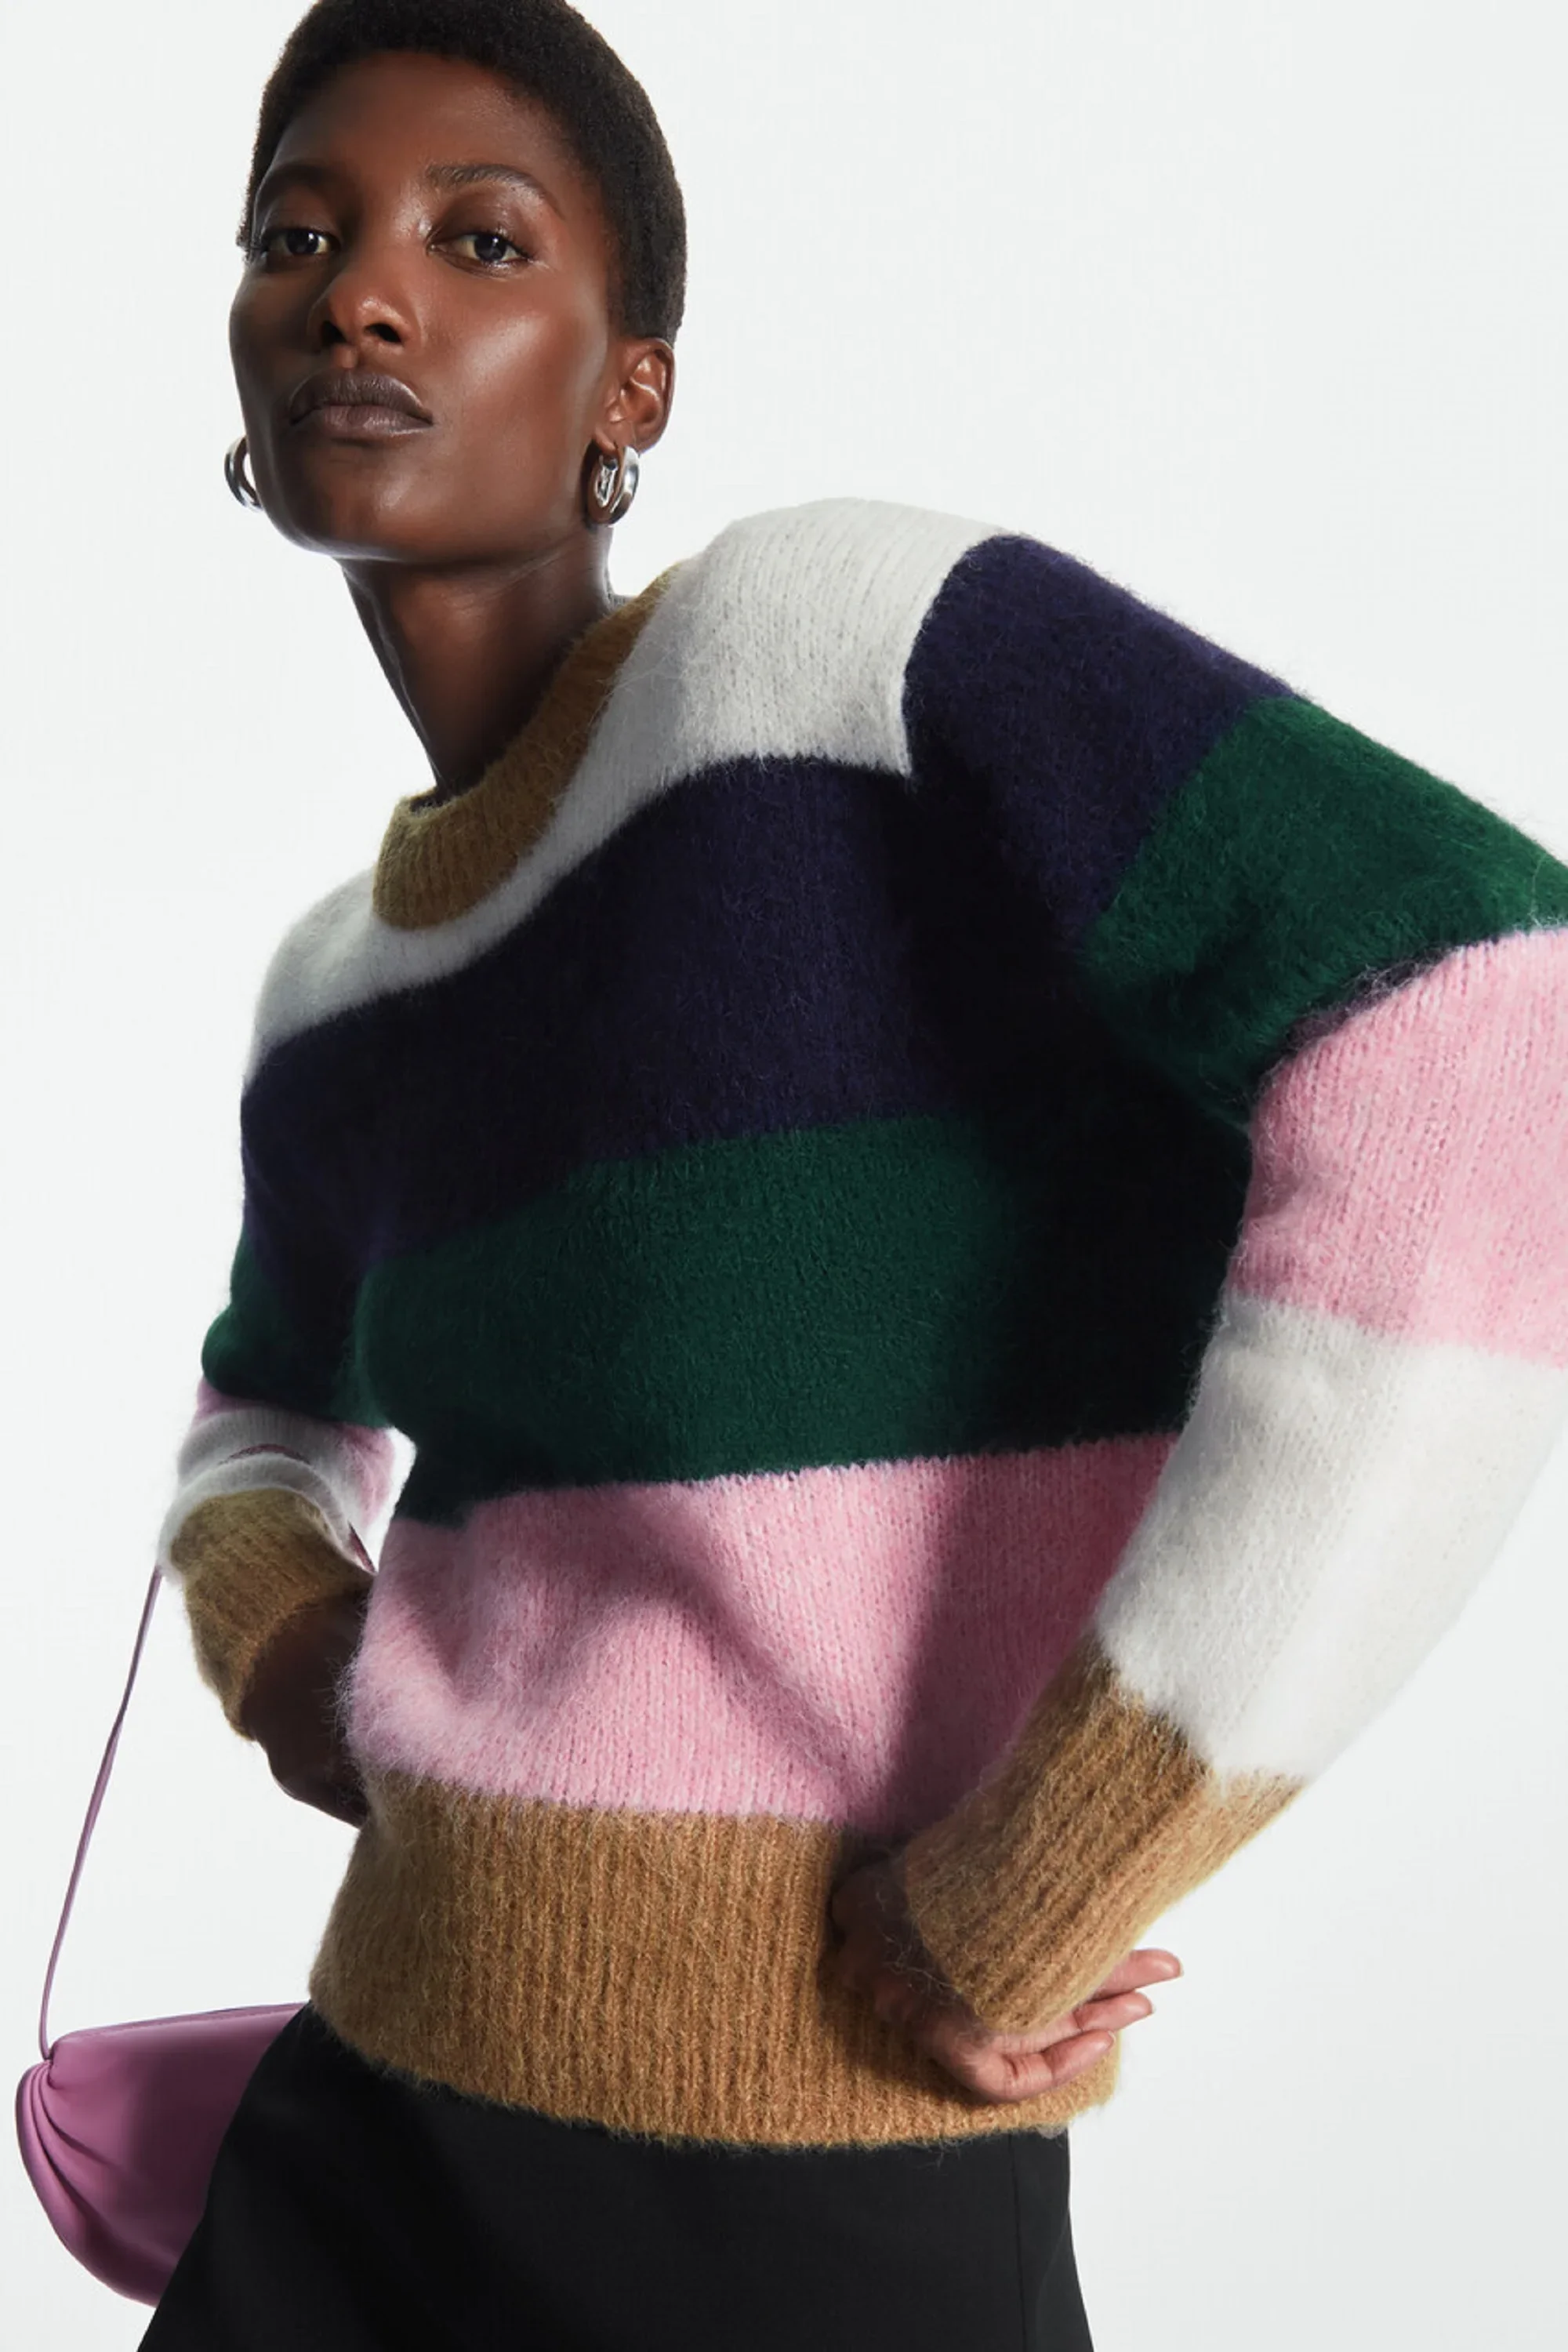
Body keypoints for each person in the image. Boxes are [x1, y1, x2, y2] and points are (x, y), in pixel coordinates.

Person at [138, 2, 1568, 2347]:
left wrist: (1057, 1869)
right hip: (359, 2131)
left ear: (630, 387)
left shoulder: (832, 648)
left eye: (477, 240)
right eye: (298, 235)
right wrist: (296, 1642)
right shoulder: (337, 989)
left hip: (821, 2190)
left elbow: (1484, 1020)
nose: (359, 294)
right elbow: (262, 1412)